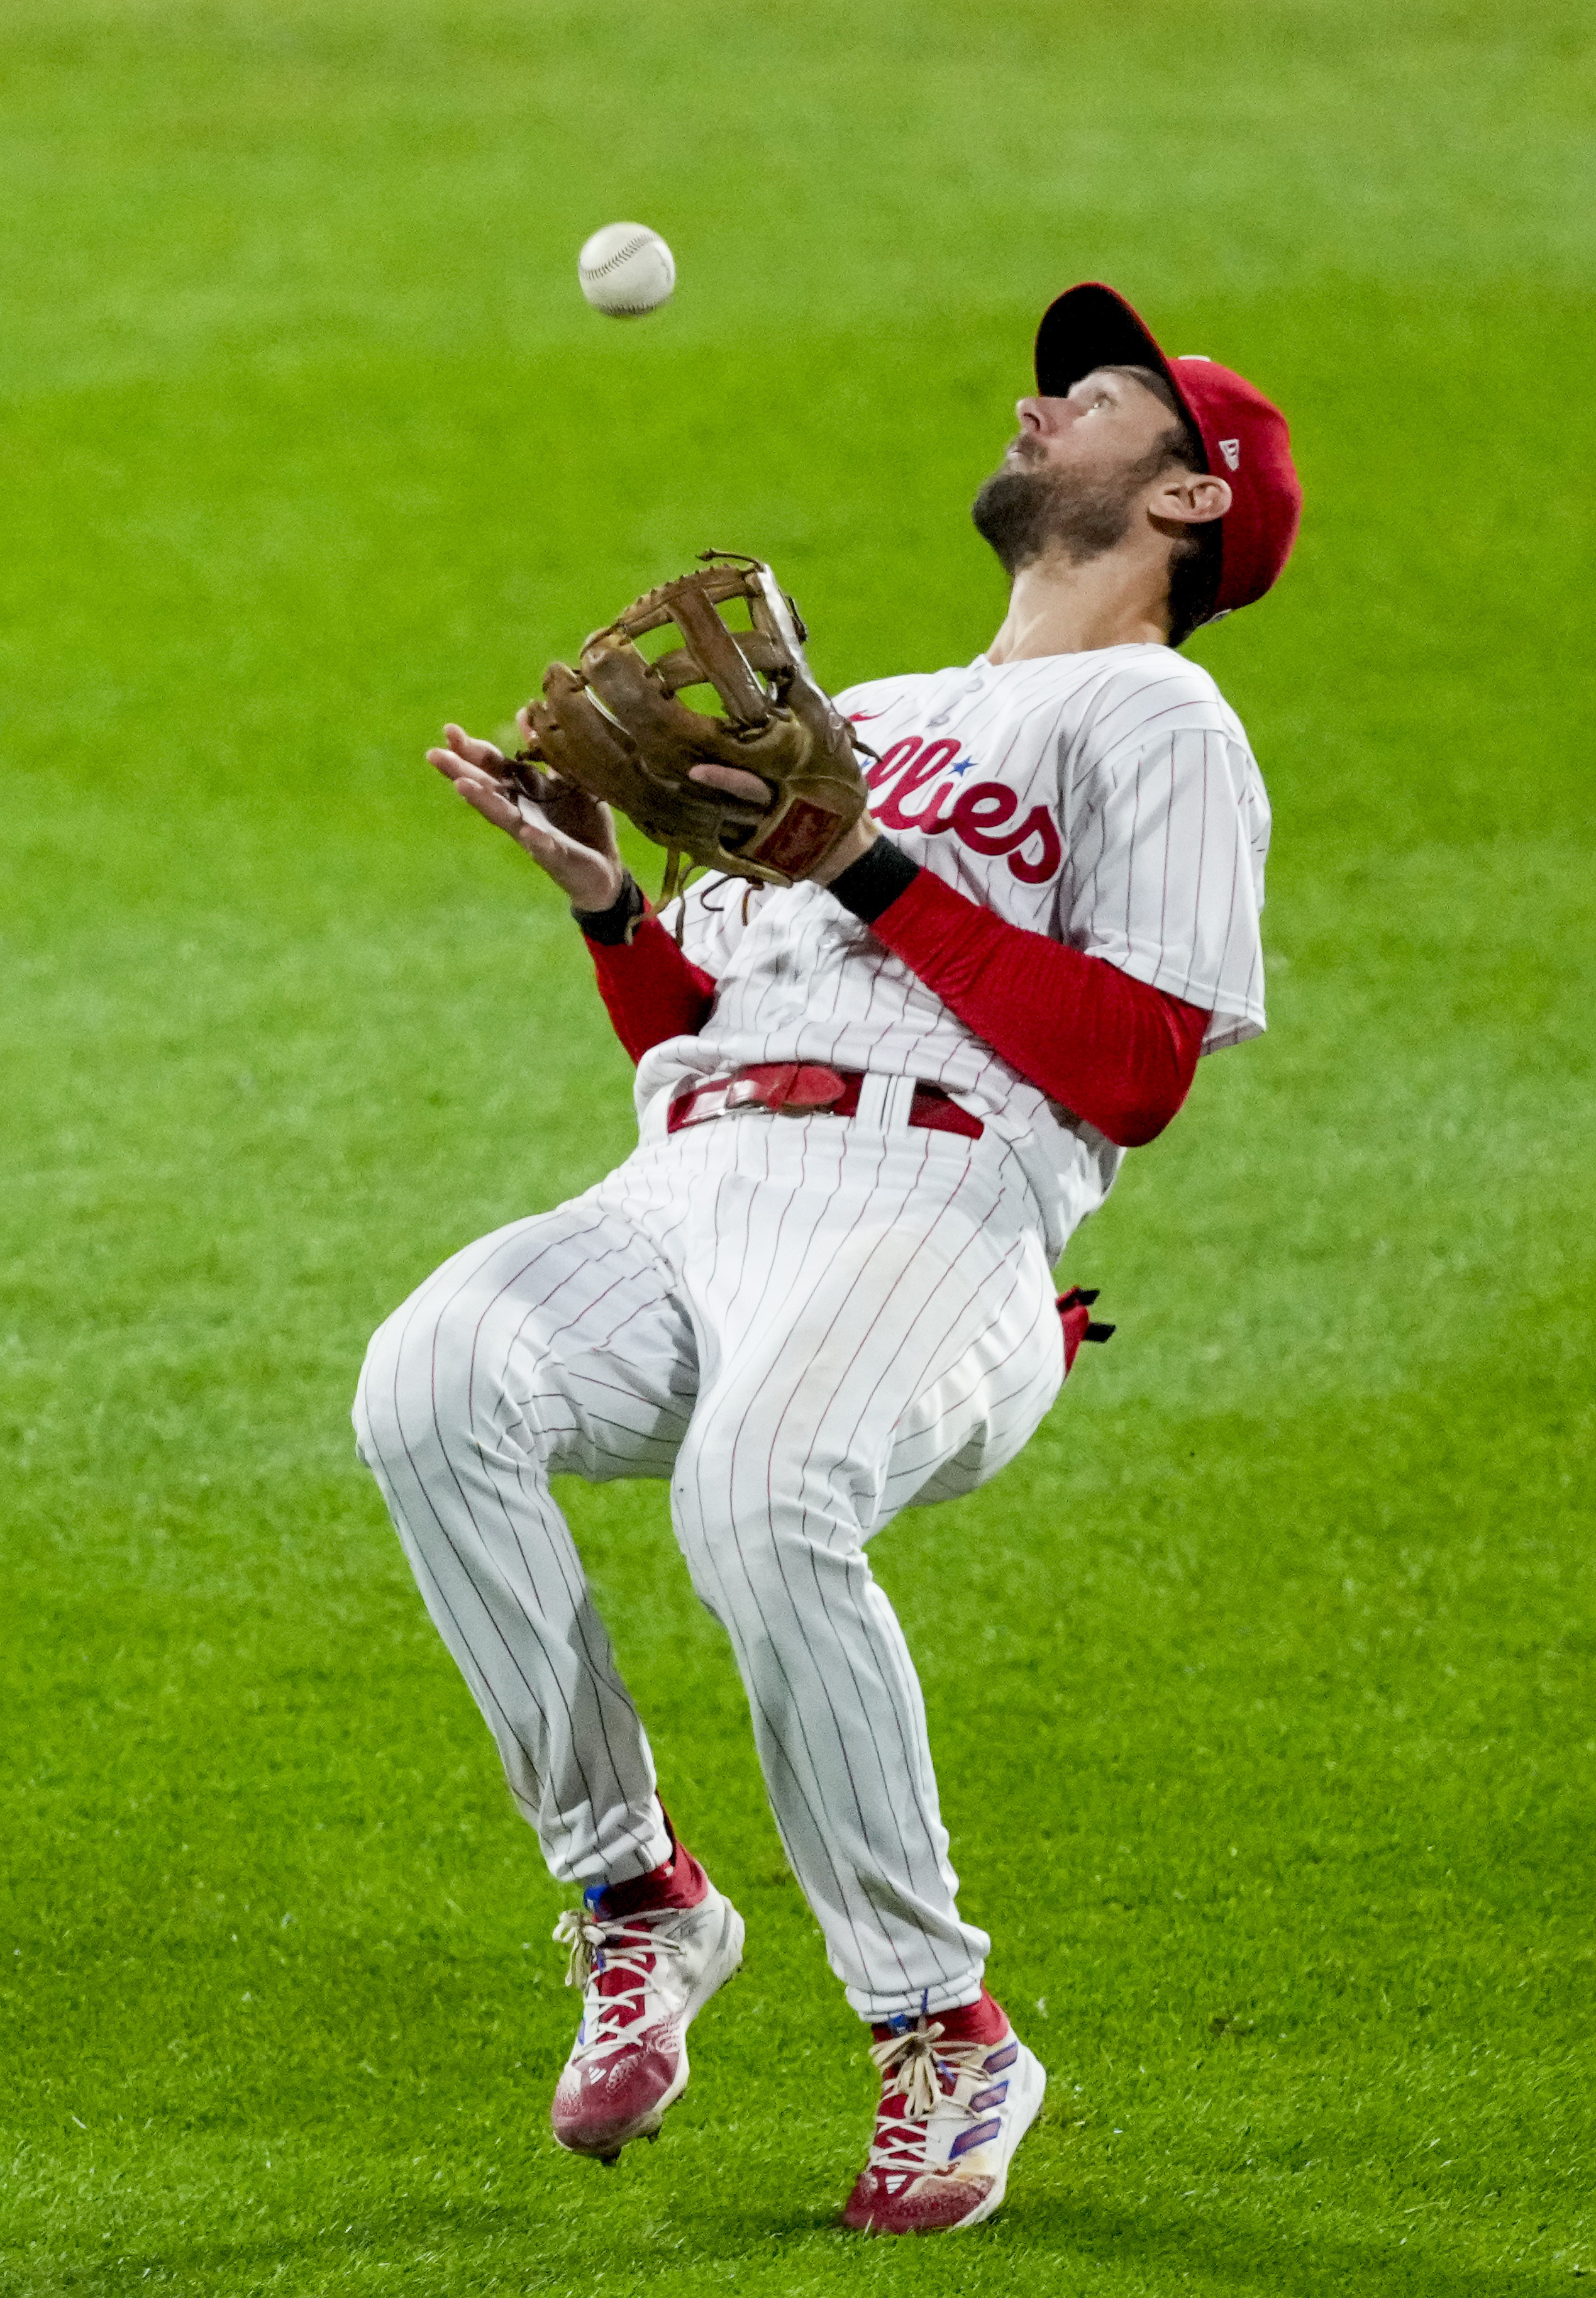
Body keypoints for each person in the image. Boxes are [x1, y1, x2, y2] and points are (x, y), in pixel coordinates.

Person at [352, 281, 1298, 2236]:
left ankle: (943, 2028)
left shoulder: (1161, 718)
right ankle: (636, 1899)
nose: (1041, 414)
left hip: (944, 1229)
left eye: (1097, 400)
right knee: (432, 1383)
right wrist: (617, 906)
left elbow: (1135, 1073)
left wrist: (866, 864)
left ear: (1190, 503)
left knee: (764, 1496)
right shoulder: (863, 717)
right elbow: (727, 1042)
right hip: (701, 1191)